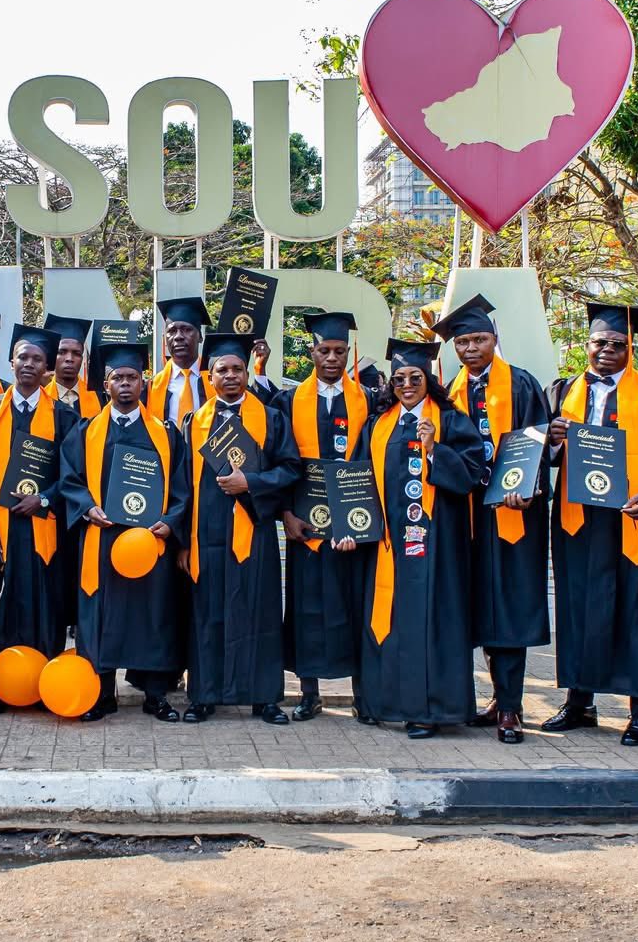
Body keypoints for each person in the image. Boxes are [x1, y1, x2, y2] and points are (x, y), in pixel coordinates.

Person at [543, 302, 638, 745]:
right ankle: (579, 701)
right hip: (577, 521)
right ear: (587, 345)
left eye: (617, 344)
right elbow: (541, 451)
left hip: (630, 518)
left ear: (631, 348)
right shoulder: (563, 390)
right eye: (600, 343)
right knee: (578, 608)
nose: (607, 350)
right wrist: (551, 439)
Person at [359, 338, 488, 737]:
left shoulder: (451, 420)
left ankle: (432, 710)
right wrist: (352, 526)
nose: (407, 385)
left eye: (415, 377)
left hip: (438, 545)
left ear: (428, 379)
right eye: (398, 379)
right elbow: (359, 480)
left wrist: (435, 450)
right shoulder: (379, 424)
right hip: (389, 545)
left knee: (432, 622)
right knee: (392, 619)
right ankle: (385, 703)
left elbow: (473, 474)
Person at [438, 294, 551, 744]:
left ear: (495, 340)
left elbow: (538, 446)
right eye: (463, 341)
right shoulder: (447, 395)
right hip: (462, 518)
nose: (470, 348)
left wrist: (530, 487)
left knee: (507, 610)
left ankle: (510, 707)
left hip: (511, 519)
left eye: (479, 339)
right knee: (471, 609)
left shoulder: (522, 384)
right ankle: (482, 699)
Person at [58, 341, 191, 719]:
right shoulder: (86, 432)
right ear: (105, 384)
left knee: (152, 615)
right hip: (102, 539)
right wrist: (87, 508)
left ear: (143, 383)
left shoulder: (165, 434)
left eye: (133, 377)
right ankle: (102, 695)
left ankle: (155, 696)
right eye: (118, 378)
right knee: (101, 616)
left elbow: (183, 486)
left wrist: (171, 521)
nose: (126, 384)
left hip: (150, 544)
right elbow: (69, 478)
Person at [182, 334, 302, 724]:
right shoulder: (193, 423)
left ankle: (264, 697)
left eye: (237, 369)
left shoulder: (270, 417)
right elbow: (181, 484)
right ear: (210, 376)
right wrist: (183, 542)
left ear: (247, 373)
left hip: (256, 530)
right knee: (207, 613)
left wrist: (250, 483)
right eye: (222, 370)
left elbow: (290, 469)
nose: (231, 376)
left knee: (259, 610)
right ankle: (204, 695)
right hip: (208, 534)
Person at [277, 311, 375, 721]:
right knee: (308, 609)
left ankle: (362, 695)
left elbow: (375, 461)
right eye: (324, 350)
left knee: (356, 606)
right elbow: (280, 461)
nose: (332, 358)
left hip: (355, 525)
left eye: (339, 351)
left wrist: (361, 521)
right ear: (311, 351)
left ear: (347, 352)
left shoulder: (369, 399)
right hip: (306, 525)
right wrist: (285, 515)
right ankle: (309, 693)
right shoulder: (288, 401)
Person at [0, 324, 76, 713]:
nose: (29, 364)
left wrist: (45, 500)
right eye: (23, 357)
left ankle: (44, 681)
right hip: (1, 529)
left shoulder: (64, 416)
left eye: (37, 359)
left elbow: (73, 474)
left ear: (47, 367)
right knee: (2, 605)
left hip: (42, 527)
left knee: (44, 605)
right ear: (10, 362)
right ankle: (3, 687)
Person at [150, 297, 212, 425]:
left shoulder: (216, 382)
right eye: (172, 331)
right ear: (165, 340)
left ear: (200, 337)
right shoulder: (151, 388)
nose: (178, 337)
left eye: (187, 329)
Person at [42, 312, 102, 419]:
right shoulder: (40, 398)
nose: (69, 359)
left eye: (76, 353)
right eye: (62, 352)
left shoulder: (100, 398)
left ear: (82, 357)